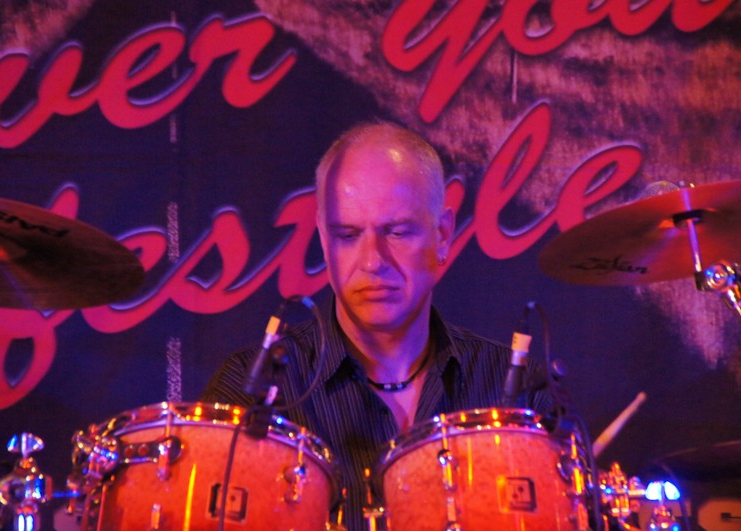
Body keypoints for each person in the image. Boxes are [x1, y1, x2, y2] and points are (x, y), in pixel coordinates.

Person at [202, 121, 550, 530]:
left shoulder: (517, 389)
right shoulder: (252, 387)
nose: (372, 261)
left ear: (442, 235)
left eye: (397, 232)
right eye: (348, 235)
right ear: (324, 240)